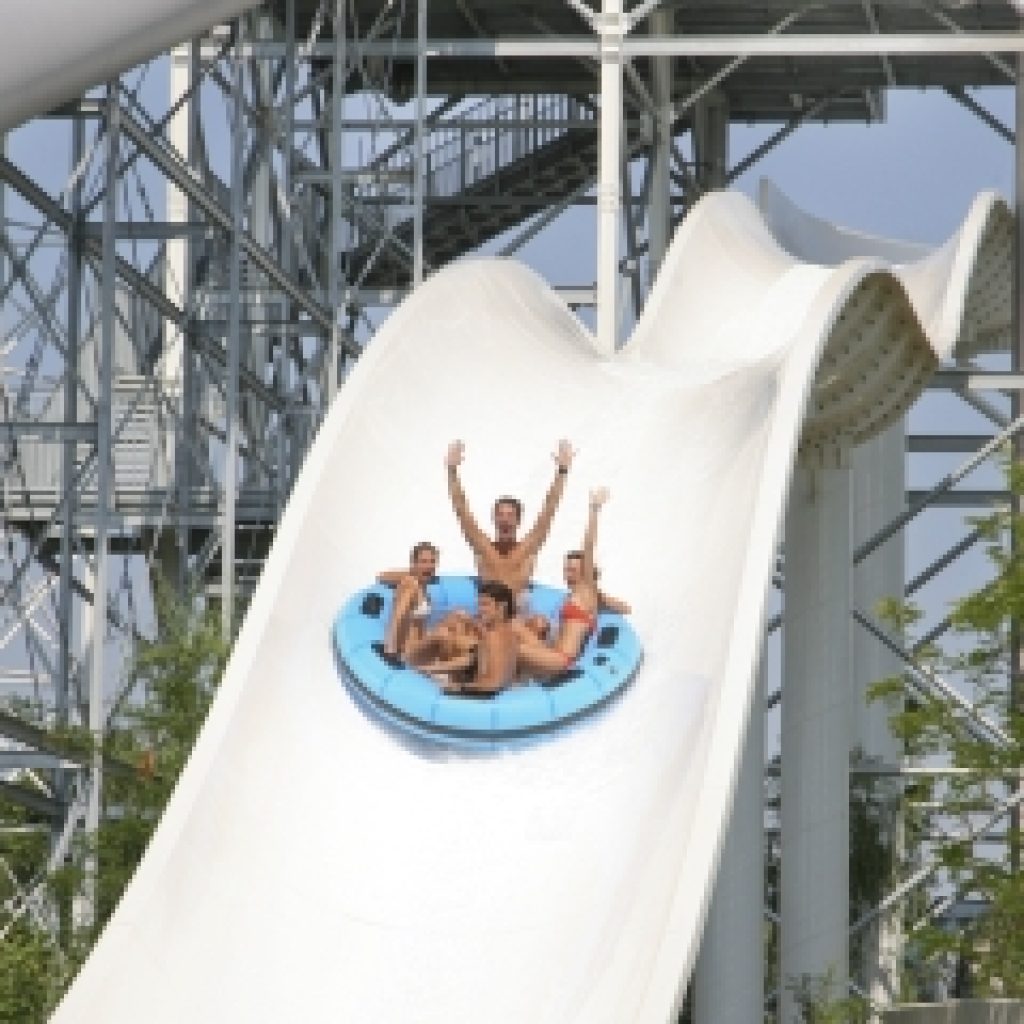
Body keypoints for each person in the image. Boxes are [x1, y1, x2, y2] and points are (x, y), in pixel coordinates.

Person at [514, 487, 628, 679]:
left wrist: (594, 509)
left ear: (585, 572)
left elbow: (589, 546)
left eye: (573, 569)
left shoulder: (586, 592)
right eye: (567, 568)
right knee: (512, 625)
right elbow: (624, 607)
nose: (568, 573)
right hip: (550, 651)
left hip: (561, 659)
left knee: (510, 646)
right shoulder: (575, 596)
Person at [445, 438, 574, 602]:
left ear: (518, 520)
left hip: (517, 612)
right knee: (455, 617)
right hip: (488, 611)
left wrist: (562, 471)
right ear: (494, 519)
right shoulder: (483, 547)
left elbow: (549, 509)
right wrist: (452, 471)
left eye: (510, 515)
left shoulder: (528, 547)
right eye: (500, 515)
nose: (505, 520)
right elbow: (461, 510)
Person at [448, 580, 521, 695]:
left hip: (484, 698)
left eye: (485, 604)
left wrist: (460, 688)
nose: (480, 609)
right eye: (479, 605)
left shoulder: (494, 636)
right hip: (500, 694)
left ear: (502, 606)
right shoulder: (509, 633)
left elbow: (494, 684)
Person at [376, 541, 439, 659]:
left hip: (418, 650)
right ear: (414, 563)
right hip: (406, 652)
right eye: (424, 561)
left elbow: (420, 625)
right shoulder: (410, 584)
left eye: (432, 561)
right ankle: (391, 649)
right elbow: (399, 616)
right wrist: (391, 650)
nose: (429, 566)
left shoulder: (424, 588)